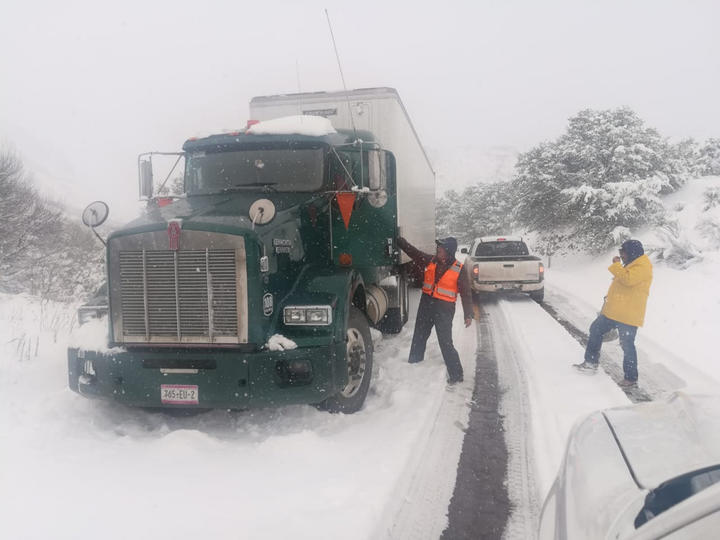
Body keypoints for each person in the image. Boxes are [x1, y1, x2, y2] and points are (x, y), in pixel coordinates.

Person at [574, 239, 653, 387]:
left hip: (629, 314)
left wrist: (616, 265)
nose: (621, 255)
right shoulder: (633, 264)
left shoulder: (643, 266)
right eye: (620, 252)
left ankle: (630, 379)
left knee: (627, 344)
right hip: (615, 311)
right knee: (595, 329)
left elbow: (628, 279)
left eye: (623, 252)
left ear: (632, 252)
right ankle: (590, 363)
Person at [397, 236, 473, 384]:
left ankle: (457, 374)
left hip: (444, 309)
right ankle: (414, 363)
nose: (439, 249)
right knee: (419, 335)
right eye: (439, 247)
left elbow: (466, 293)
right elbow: (414, 253)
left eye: (442, 248)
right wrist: (400, 242)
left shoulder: (459, 268)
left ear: (449, 251)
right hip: (426, 304)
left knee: (445, 341)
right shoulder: (431, 260)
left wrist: (468, 314)